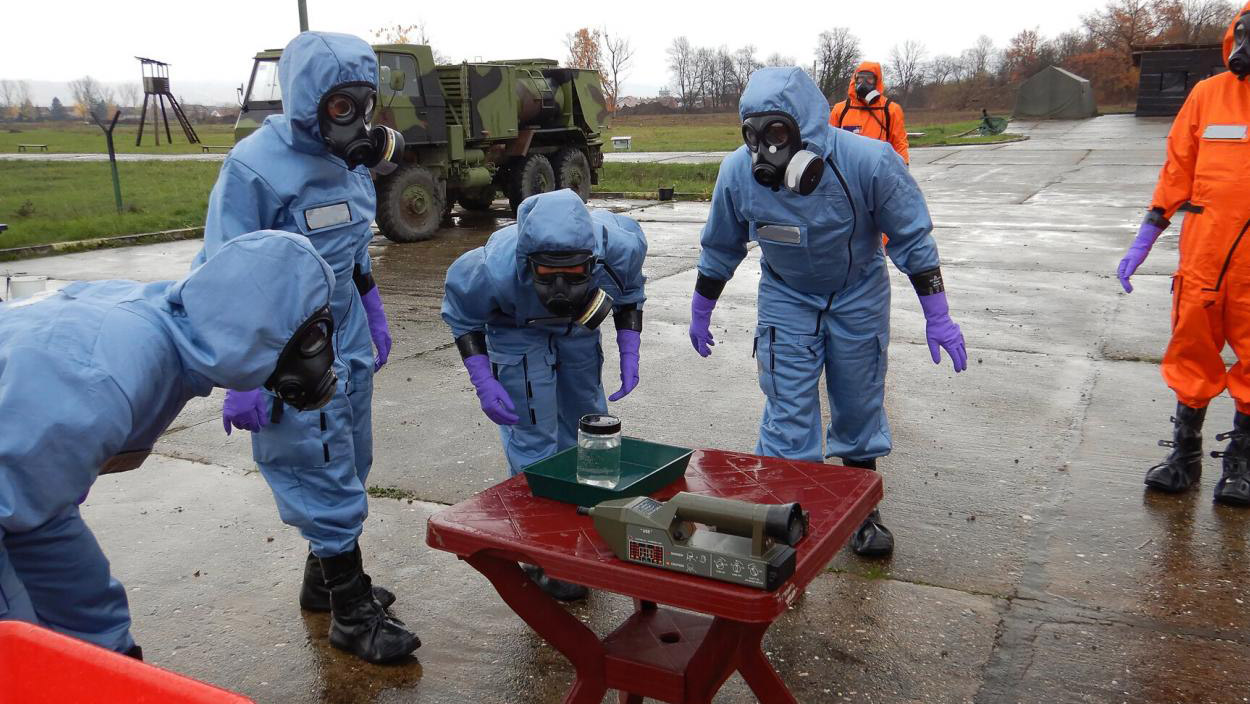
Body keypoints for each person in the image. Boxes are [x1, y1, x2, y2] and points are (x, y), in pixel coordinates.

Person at [0, 230, 336, 660]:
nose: (319, 356)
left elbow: (39, 513)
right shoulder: (105, 378)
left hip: (18, 485)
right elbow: (23, 515)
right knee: (24, 648)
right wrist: (93, 652)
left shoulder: (159, 329)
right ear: (255, 327)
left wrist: (106, 646)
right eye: (310, 336)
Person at [194, 31, 417, 662]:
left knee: (350, 459)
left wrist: (371, 306)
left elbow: (348, 251)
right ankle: (351, 612)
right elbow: (223, 273)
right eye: (337, 104)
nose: (352, 119)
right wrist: (243, 371)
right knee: (314, 463)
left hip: (344, 335)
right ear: (306, 99)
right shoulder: (254, 169)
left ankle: (324, 581)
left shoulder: (349, 164)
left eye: (362, 104)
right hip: (286, 349)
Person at [689, 67, 967, 558]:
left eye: (777, 133)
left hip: (857, 290)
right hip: (787, 295)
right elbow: (720, 244)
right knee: (787, 406)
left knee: (858, 401)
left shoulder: (870, 162)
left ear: (807, 126)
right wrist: (701, 305)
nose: (764, 150)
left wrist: (936, 311)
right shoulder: (738, 172)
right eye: (753, 135)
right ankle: (783, 516)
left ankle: (861, 511)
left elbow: (912, 236)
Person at [441, 188, 647, 598]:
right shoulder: (493, 269)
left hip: (578, 328)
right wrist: (483, 378)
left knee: (586, 423)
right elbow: (462, 316)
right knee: (533, 431)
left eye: (573, 275)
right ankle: (542, 548)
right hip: (516, 330)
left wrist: (629, 348)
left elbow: (628, 293)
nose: (559, 287)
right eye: (546, 275)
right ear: (527, 261)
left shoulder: (620, 249)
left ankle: (584, 519)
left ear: (592, 260)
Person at [1118, 2, 1250, 507]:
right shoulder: (1206, 96)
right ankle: (1184, 455)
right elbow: (1177, 168)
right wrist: (1147, 234)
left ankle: (1241, 462)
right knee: (1192, 348)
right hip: (1204, 255)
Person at [829, 62, 910, 165]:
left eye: (869, 78)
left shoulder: (890, 109)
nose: (864, 83)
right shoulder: (841, 109)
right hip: (848, 171)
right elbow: (830, 142)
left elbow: (899, 143)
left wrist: (903, 167)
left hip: (880, 170)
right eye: (860, 78)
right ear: (855, 80)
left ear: (877, 81)